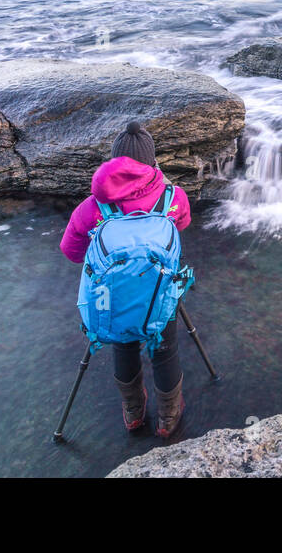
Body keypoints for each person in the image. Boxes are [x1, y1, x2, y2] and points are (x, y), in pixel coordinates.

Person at [59, 121, 192, 436]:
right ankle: (169, 417)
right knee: (165, 348)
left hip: (112, 296)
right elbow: (180, 227)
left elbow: (71, 251)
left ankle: (133, 413)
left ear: (112, 163)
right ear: (153, 163)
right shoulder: (175, 198)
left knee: (123, 345)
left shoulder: (92, 207)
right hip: (162, 291)